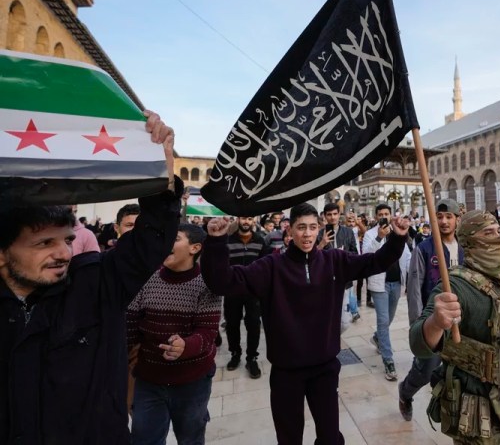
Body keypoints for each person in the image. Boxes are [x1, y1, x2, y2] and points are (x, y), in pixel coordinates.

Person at [0, 111, 179, 444]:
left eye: (67, 240)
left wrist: (159, 165)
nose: (64, 253)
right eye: (44, 243)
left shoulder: (96, 284)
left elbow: (151, 238)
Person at [201, 204, 408, 445]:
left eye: (312, 227)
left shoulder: (334, 261)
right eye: (301, 227)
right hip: (286, 371)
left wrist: (397, 238)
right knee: (289, 438)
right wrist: (216, 242)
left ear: (319, 229)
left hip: (324, 368)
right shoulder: (271, 267)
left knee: (330, 437)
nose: (307, 234)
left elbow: (375, 262)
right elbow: (223, 282)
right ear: (290, 230)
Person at [409, 210, 500, 444]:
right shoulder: (455, 286)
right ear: (469, 241)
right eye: (488, 233)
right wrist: (436, 322)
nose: (498, 238)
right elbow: (418, 343)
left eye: (498, 231)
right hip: (483, 413)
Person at [127, 224, 221, 444]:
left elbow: (208, 332)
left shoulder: (207, 283)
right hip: (149, 379)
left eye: (175, 238)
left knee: (190, 438)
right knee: (144, 439)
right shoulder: (147, 277)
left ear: (194, 248)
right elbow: (130, 322)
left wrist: (185, 346)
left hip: (192, 381)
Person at [398, 199, 463, 421]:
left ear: (457, 219)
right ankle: (405, 392)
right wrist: (418, 325)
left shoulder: (464, 248)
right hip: (433, 322)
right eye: (439, 217)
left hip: (459, 320)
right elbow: (415, 289)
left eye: (449, 217)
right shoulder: (424, 249)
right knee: (425, 370)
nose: (443, 221)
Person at [363, 204, 412, 381]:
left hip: (396, 283)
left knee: (389, 319)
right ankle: (388, 360)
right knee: (383, 321)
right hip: (379, 284)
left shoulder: (397, 232)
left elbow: (407, 257)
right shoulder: (370, 234)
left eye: (386, 213)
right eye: (380, 214)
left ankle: (378, 338)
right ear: (376, 217)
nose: (384, 216)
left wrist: (411, 280)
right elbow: (366, 255)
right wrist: (379, 237)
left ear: (391, 215)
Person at [224, 216, 270, 378]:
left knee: (254, 325)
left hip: (253, 291)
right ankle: (235, 353)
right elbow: (223, 264)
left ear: (253, 221)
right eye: (244, 218)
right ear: (238, 220)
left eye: (249, 219)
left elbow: (265, 266)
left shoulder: (260, 241)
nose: (246, 222)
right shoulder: (228, 241)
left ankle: (252, 358)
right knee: (232, 324)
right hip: (232, 290)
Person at [318, 203, 361, 322]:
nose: (332, 217)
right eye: (329, 214)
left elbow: (355, 252)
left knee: (345, 317)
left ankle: (352, 313)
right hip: (326, 276)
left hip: (344, 275)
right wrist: (322, 244)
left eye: (335, 214)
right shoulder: (319, 234)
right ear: (325, 216)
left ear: (339, 214)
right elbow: (314, 257)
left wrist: (343, 254)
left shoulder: (348, 232)